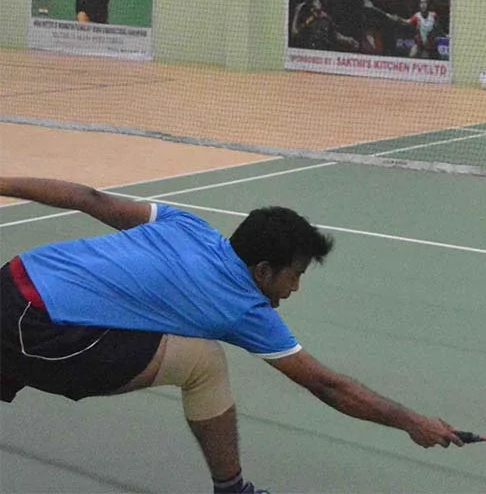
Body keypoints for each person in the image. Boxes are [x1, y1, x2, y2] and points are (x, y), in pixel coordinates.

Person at [0, 177, 462, 494]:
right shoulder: (243, 308)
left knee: (151, 316)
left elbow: (88, 197)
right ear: (264, 271)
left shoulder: (188, 225)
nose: (296, 287)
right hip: (40, 329)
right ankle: (232, 489)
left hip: (13, 278)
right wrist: (410, 421)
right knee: (203, 364)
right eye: (295, 275)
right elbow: (326, 385)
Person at [289, 0, 359, 52]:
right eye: (314, 2)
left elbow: (335, 35)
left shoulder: (326, 18)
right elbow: (294, 33)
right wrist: (296, 13)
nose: (317, 3)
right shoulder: (307, 20)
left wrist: (348, 39)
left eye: (318, 2)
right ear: (311, 7)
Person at [372, 0, 439, 59]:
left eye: (425, 2)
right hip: (419, 45)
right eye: (421, 3)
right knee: (411, 56)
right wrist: (398, 19)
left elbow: (438, 28)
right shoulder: (417, 16)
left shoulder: (434, 15)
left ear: (428, 4)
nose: (423, 5)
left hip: (430, 46)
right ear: (419, 5)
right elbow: (406, 22)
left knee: (426, 58)